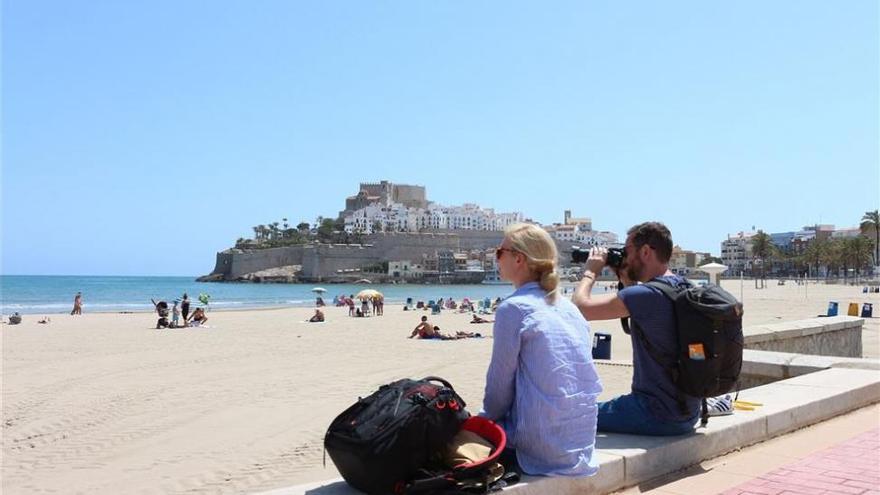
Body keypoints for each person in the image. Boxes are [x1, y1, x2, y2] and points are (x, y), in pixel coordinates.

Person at [481, 223, 601, 477]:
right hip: (581, 445)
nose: (496, 258)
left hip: (542, 449)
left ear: (518, 258)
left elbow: (498, 389)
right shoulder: (569, 308)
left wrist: (483, 421)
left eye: (499, 252)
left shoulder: (513, 309)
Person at [572, 221, 700, 436]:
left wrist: (590, 272)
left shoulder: (645, 296)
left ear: (646, 252)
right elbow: (648, 316)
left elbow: (580, 308)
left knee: (572, 414)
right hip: (688, 412)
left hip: (653, 412)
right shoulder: (684, 287)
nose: (625, 256)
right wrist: (626, 279)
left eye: (627, 250)